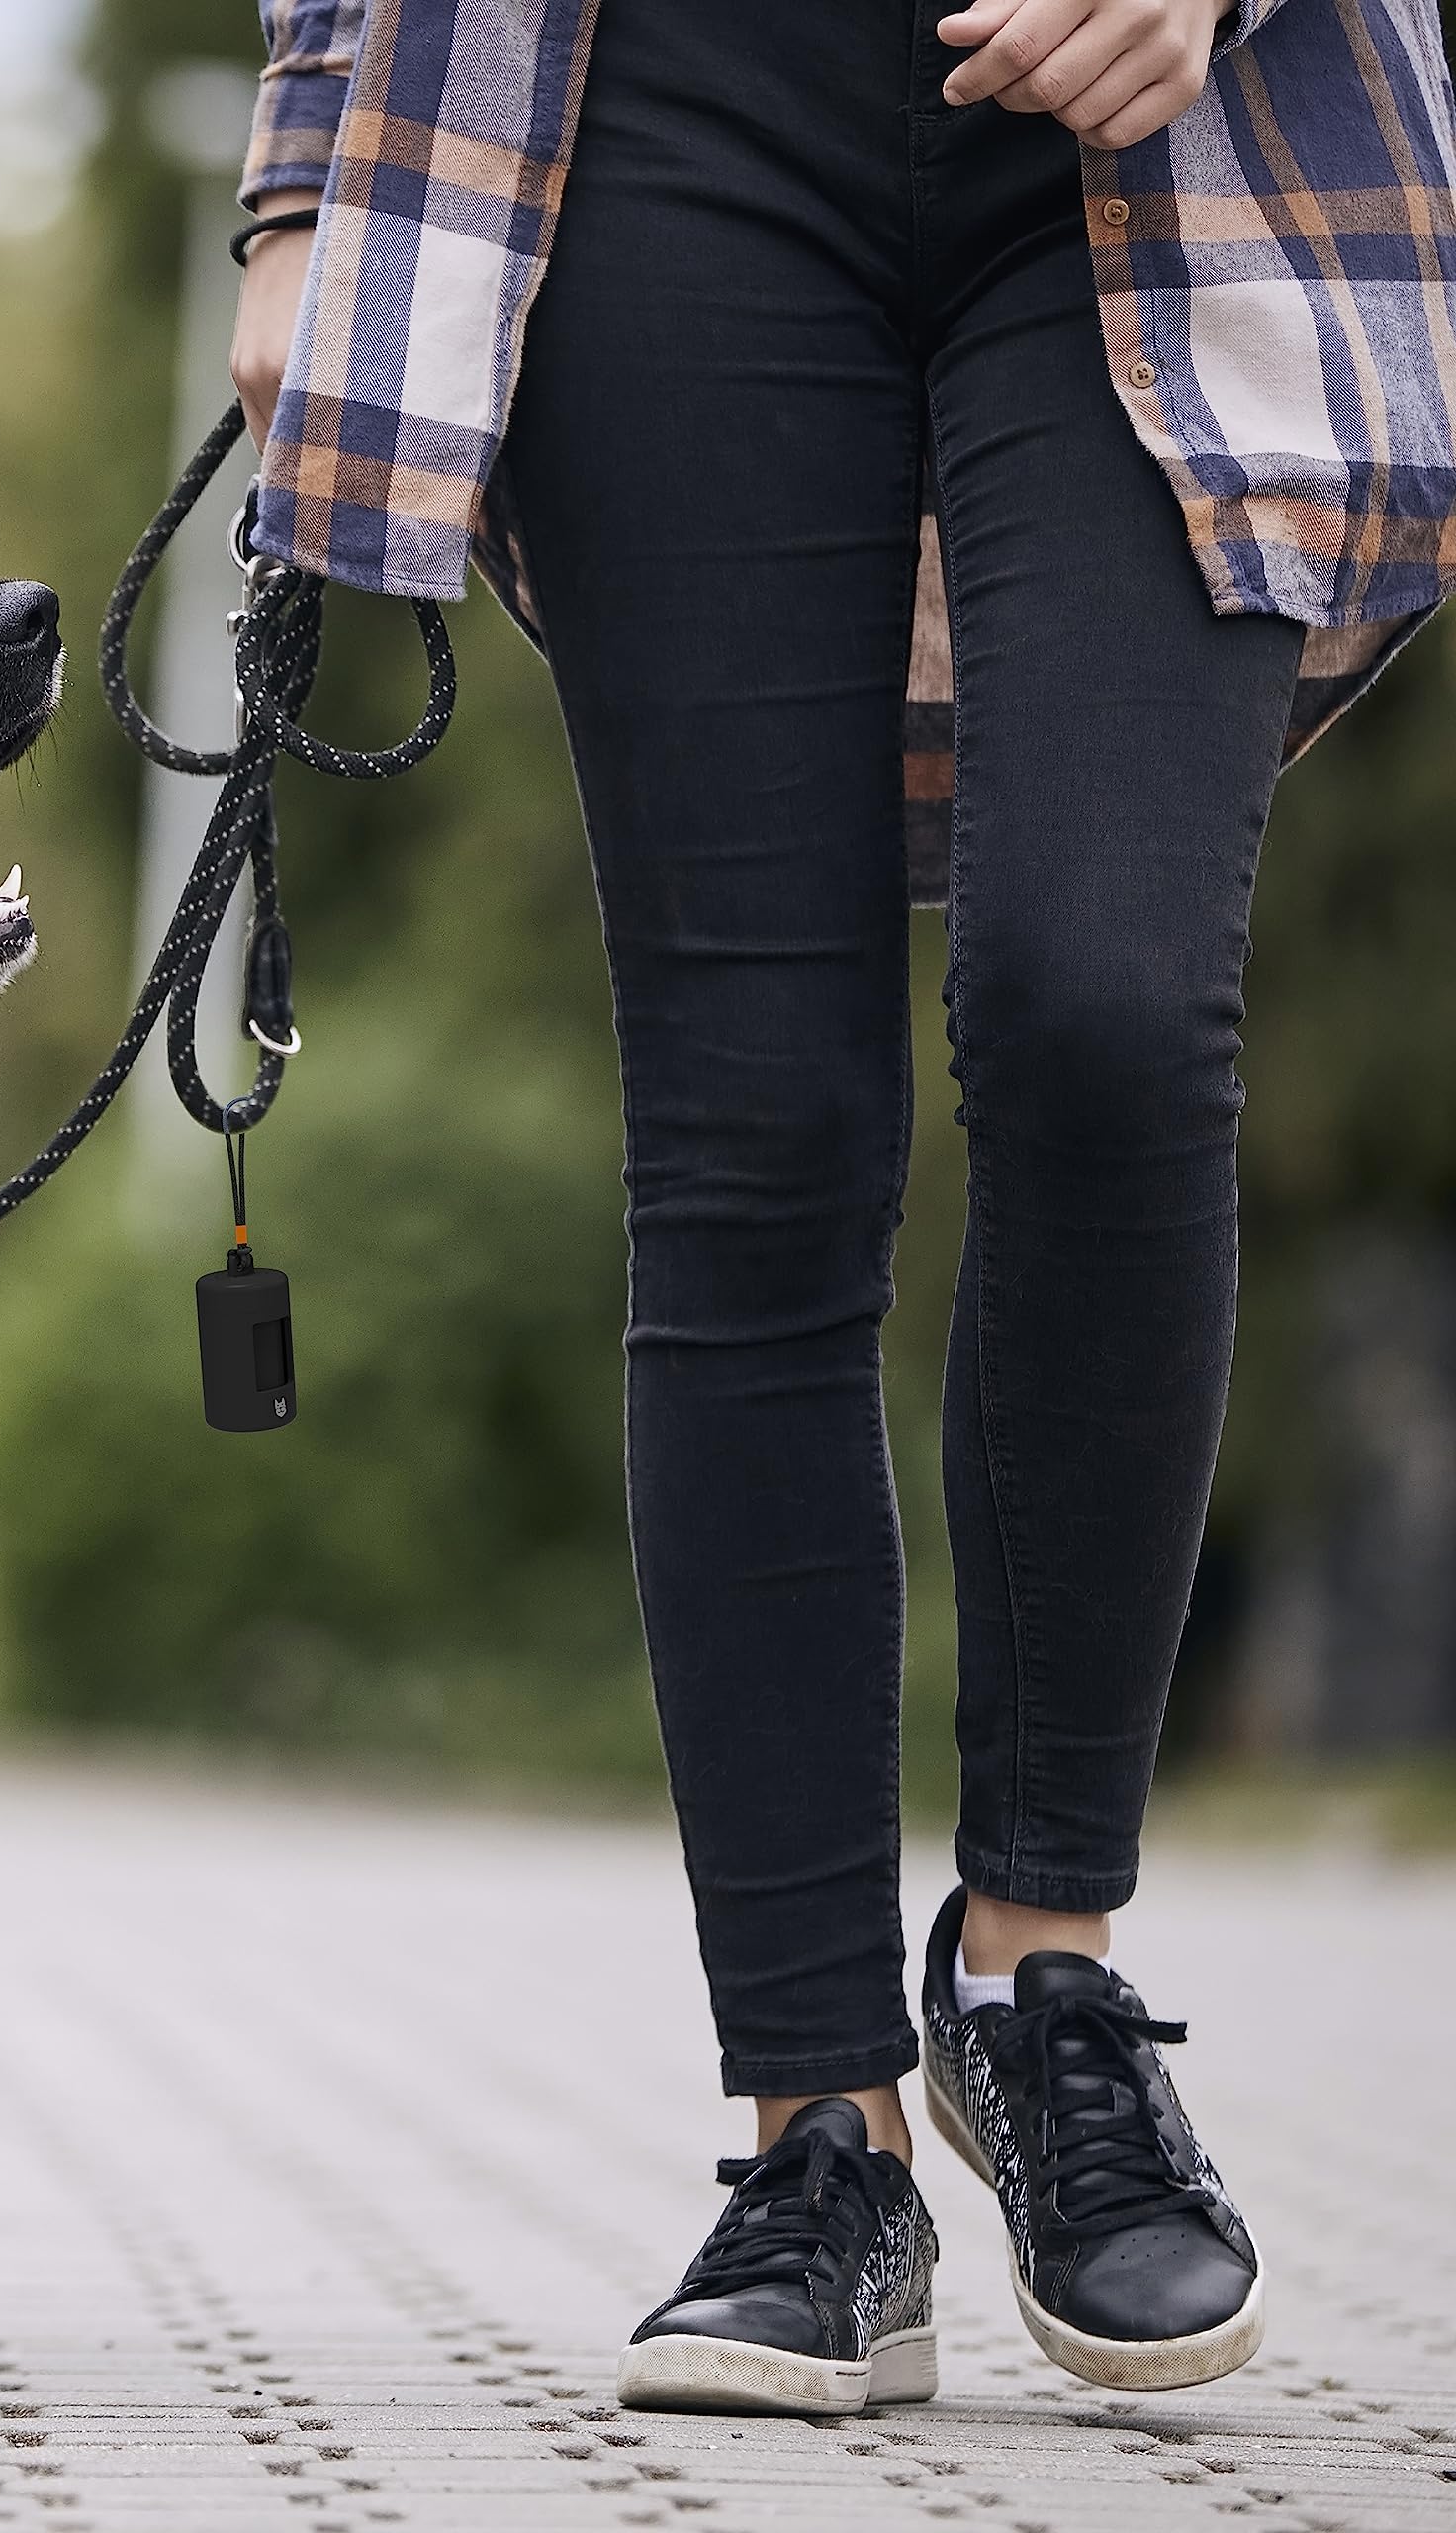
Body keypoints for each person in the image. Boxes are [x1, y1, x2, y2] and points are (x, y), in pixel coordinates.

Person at [229, 0, 1456, 2417]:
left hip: (1175, 123)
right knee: (750, 1123)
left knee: (1106, 1009)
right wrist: (300, 171)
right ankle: (815, 2136)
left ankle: (1033, 1970)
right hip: (652, 119)